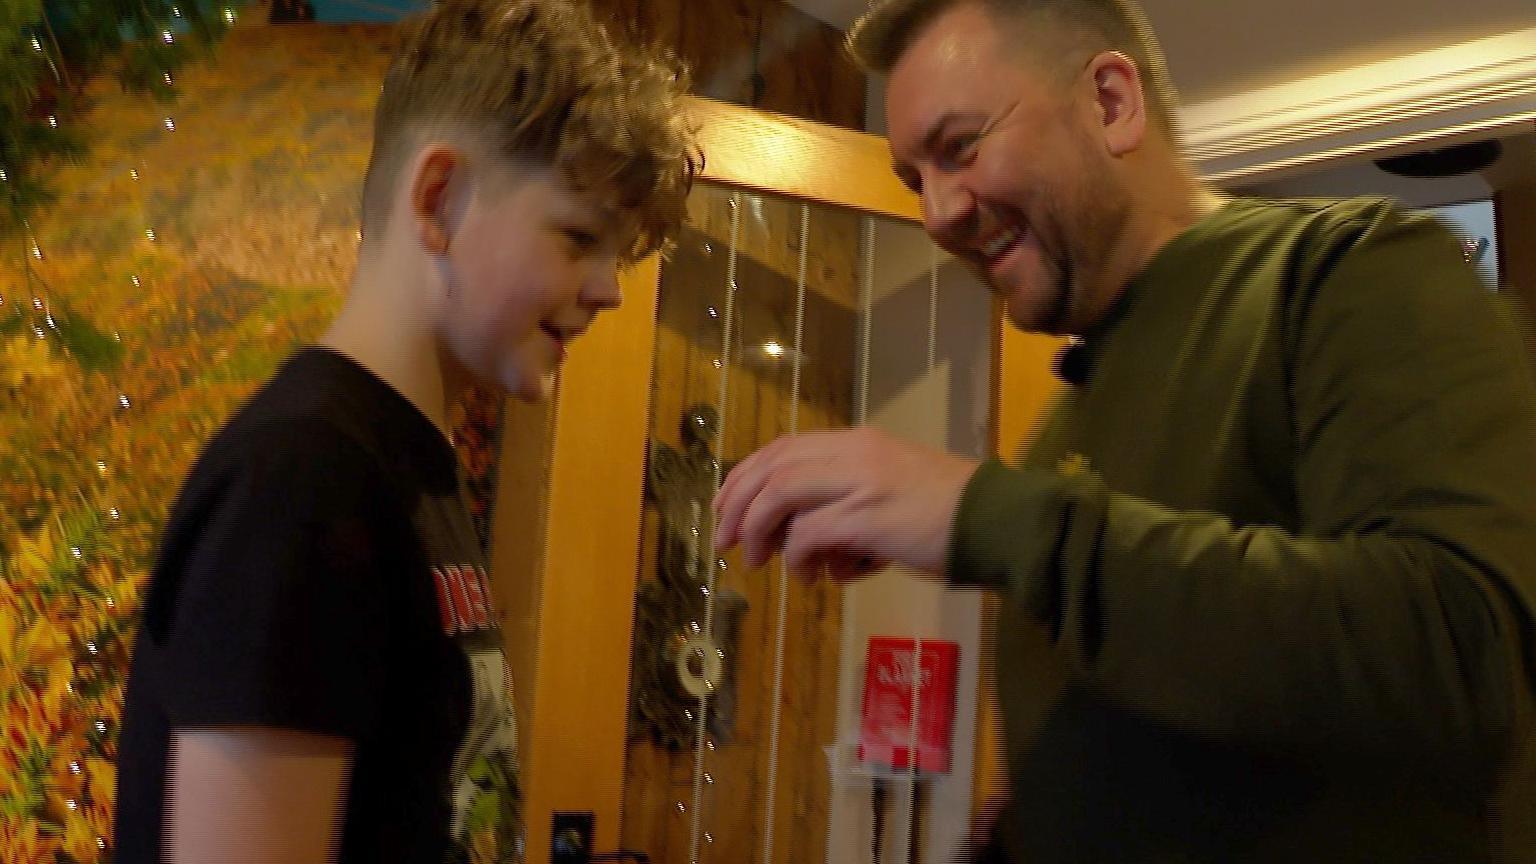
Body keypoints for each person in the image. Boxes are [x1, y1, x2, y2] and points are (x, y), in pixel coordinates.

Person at [712, 0, 1536, 861]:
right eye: (915, 180)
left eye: (961, 148)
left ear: (1110, 103)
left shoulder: (1359, 271)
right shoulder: (1066, 415)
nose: (938, 214)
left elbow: (1460, 663)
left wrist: (988, 516)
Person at [113, 1, 697, 861]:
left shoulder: (403, 468)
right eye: (578, 237)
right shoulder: (302, 484)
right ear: (438, 198)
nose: (609, 289)